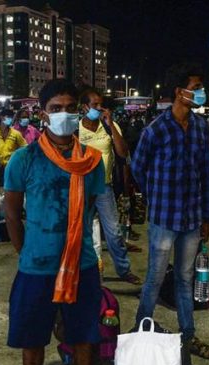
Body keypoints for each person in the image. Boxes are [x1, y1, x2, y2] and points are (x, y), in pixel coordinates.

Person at [3, 79, 110, 365]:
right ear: (42, 112)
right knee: (33, 339)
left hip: (81, 263)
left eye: (70, 107)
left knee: (83, 335)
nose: (64, 115)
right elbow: (12, 214)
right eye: (55, 108)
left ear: (80, 110)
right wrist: (27, 251)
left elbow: (93, 210)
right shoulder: (23, 159)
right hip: (37, 265)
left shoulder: (92, 161)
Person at [132, 63, 209, 360]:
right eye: (195, 89)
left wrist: (207, 216)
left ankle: (188, 336)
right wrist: (156, 198)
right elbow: (137, 168)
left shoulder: (199, 127)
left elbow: (205, 174)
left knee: (184, 278)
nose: (200, 93)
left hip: (192, 219)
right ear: (179, 92)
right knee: (155, 277)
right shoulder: (156, 129)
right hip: (164, 219)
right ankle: (140, 330)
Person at [78, 87, 141, 285]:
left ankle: (124, 270)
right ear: (84, 107)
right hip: (82, 188)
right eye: (94, 105)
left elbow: (122, 153)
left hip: (104, 188)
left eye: (100, 104)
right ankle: (88, 272)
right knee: (84, 232)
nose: (99, 108)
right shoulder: (74, 129)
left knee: (114, 232)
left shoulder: (108, 127)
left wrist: (111, 125)